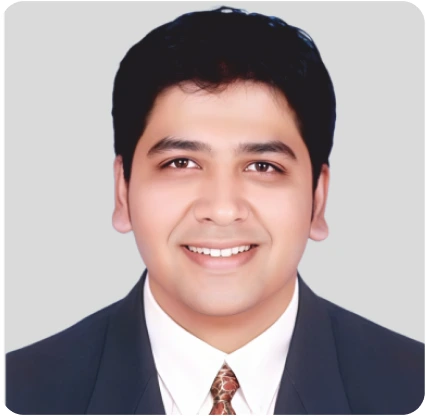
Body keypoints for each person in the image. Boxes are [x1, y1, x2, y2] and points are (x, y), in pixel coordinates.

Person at [5, 6, 424, 415]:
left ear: (318, 198)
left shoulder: (411, 387)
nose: (222, 210)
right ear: (122, 190)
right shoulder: (21, 394)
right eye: (180, 163)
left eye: (263, 167)